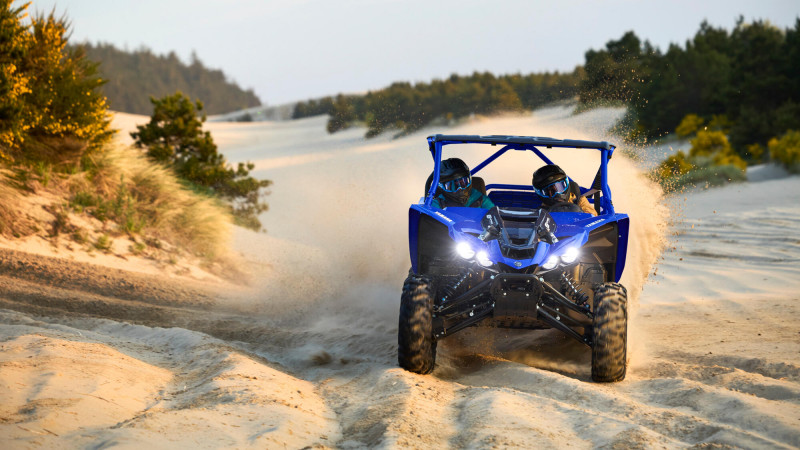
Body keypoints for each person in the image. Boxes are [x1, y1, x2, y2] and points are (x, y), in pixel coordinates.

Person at [532, 164, 597, 216]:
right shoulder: (542, 211)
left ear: (566, 183)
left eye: (560, 187)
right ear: (541, 194)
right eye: (550, 191)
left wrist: (578, 213)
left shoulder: (579, 200)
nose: (557, 193)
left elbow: (592, 217)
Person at [430, 158, 494, 209]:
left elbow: (494, 216)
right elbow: (431, 218)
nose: (460, 189)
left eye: (463, 183)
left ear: (469, 179)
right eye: (453, 186)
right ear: (441, 187)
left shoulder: (481, 199)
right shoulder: (438, 204)